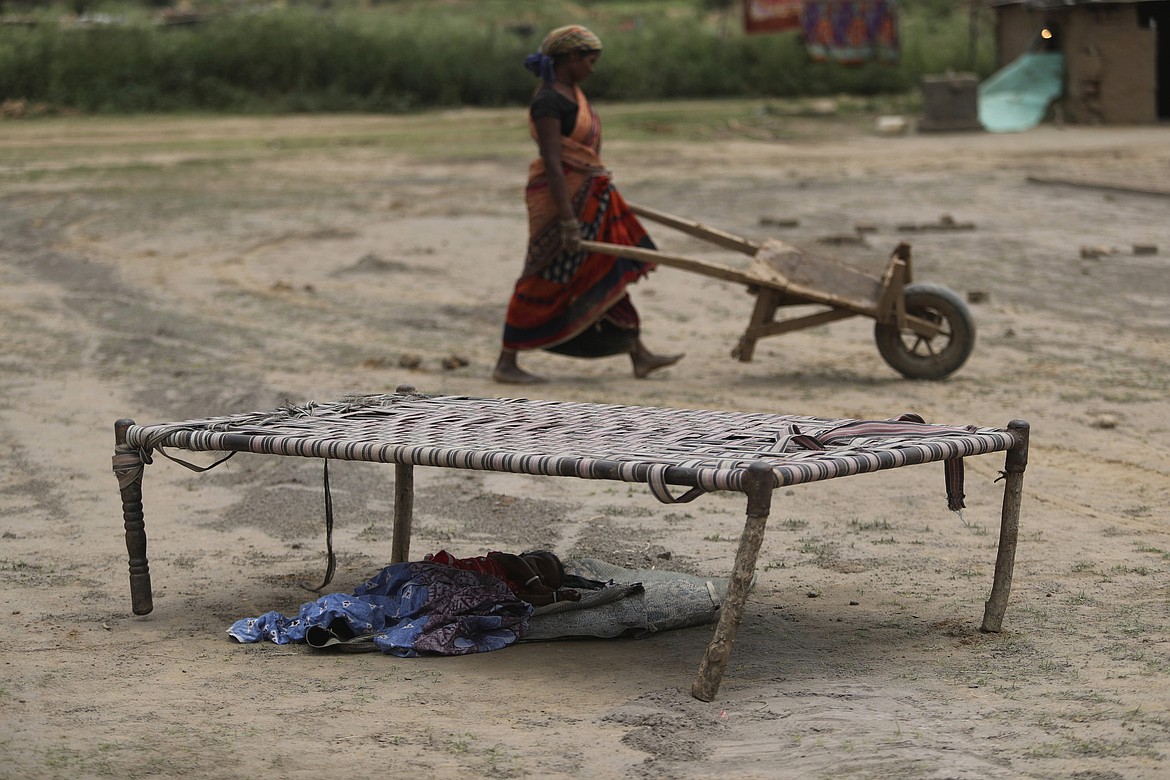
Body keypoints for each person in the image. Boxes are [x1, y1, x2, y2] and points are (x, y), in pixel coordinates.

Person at [493, 24, 683, 385]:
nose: (593, 69)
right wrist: (567, 221)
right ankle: (506, 362)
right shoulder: (548, 101)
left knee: (603, 268)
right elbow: (553, 163)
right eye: (589, 61)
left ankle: (639, 355)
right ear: (570, 58)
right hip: (560, 201)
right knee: (543, 275)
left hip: (591, 197)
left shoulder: (574, 94)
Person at [425, 548, 581, 606]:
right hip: (446, 572)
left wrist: (554, 598)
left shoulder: (515, 592)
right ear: (523, 556)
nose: (540, 575)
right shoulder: (504, 561)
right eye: (539, 566)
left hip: (451, 594)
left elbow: (519, 600)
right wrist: (535, 583)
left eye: (545, 581)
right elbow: (512, 560)